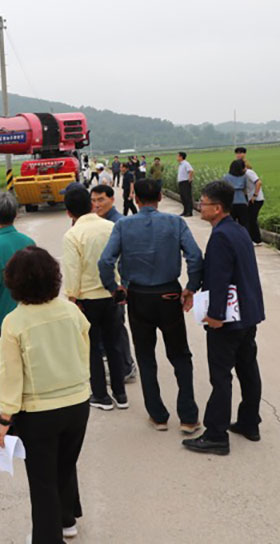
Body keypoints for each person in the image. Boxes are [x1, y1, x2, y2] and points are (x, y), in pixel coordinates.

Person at [0, 246, 91, 543]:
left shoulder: (14, 322)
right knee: (65, 465)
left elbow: (11, 376)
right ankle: (66, 520)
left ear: (13, 282)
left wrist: (4, 418)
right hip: (77, 403)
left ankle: (47, 537)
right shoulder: (71, 310)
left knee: (42, 479)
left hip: (39, 412)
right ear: (54, 277)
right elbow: (84, 348)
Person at [98, 179, 203, 434]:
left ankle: (158, 416)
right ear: (159, 197)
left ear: (135, 199)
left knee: (146, 356)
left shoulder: (123, 225)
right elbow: (195, 256)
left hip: (138, 296)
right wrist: (191, 287)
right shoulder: (175, 222)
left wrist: (115, 289)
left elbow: (105, 261)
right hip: (169, 294)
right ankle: (188, 417)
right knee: (180, 355)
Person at [183, 181, 265, 456]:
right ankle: (249, 422)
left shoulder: (220, 237)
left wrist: (215, 316)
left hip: (228, 320)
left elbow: (219, 280)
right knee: (247, 369)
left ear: (217, 208)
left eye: (203, 203)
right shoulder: (238, 230)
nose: (199, 206)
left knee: (221, 377)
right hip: (247, 316)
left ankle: (216, 435)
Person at [62, 187, 127, 411]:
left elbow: (72, 270)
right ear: (91, 205)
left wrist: (72, 297)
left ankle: (101, 395)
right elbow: (121, 261)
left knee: (91, 349)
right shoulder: (111, 227)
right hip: (112, 295)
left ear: (68, 213)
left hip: (87, 299)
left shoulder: (72, 235)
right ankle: (121, 394)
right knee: (113, 345)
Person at [0, 191, 36, 393]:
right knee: (27, 370)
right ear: (16, 215)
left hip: (0, 324)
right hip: (29, 319)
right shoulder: (29, 242)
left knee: (3, 374)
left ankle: (8, 420)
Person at [90, 184, 137, 382]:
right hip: (104, 285)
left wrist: (123, 286)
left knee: (117, 327)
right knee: (109, 328)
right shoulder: (96, 223)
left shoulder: (121, 223)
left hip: (117, 286)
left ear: (112, 199)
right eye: (93, 201)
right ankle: (118, 364)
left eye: (101, 200)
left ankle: (126, 367)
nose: (96, 204)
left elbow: (128, 258)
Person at [223, 159, 249, 229]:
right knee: (244, 223)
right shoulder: (244, 177)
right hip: (242, 201)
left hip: (231, 202)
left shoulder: (226, 177)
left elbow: (224, 190)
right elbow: (245, 189)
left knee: (231, 223)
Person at [244, 161, 265, 246]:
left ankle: (256, 239)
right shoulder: (245, 174)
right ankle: (256, 239)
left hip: (256, 199)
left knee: (251, 219)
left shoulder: (249, 172)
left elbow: (258, 182)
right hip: (251, 199)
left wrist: (255, 195)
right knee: (251, 218)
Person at [176, 152, 194, 216]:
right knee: (183, 197)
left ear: (181, 157)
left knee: (187, 197)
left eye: (177, 156)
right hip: (181, 182)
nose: (176, 157)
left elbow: (191, 171)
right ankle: (185, 210)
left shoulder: (186, 163)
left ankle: (189, 212)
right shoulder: (180, 164)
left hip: (185, 182)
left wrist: (190, 178)